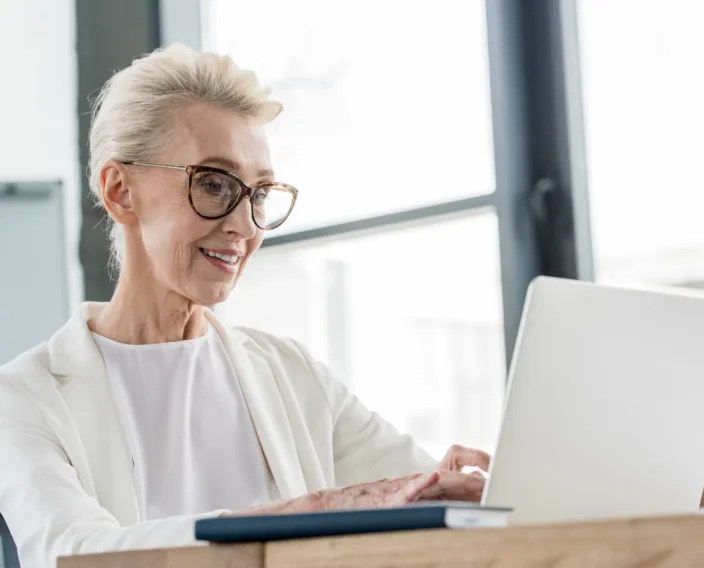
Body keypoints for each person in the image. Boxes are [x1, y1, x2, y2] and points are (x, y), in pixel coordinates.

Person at [0, 45, 489, 568]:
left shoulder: (293, 375)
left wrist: (461, 486)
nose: (244, 225)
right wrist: (309, 513)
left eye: (258, 193)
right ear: (120, 191)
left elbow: (422, 496)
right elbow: (70, 553)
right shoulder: (23, 398)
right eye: (213, 184)